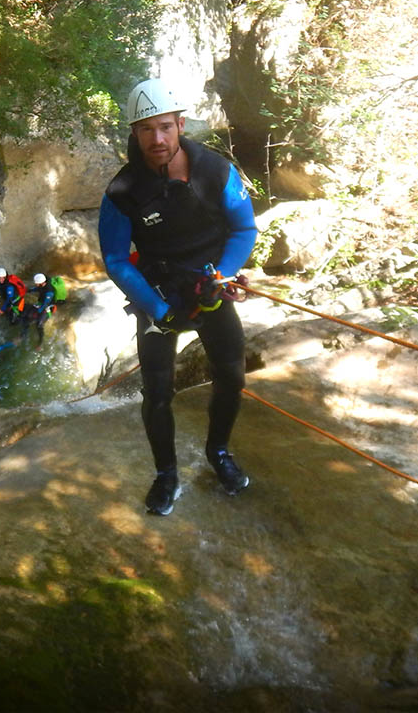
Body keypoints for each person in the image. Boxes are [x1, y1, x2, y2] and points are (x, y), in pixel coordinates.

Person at [98, 78, 258, 516]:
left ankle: (219, 453)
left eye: (165, 127)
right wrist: (159, 311)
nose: (158, 138)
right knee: (158, 392)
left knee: (232, 377)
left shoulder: (214, 171)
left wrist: (222, 276)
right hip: (157, 290)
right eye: (147, 129)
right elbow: (115, 259)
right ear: (134, 133)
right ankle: (165, 474)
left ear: (181, 124)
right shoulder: (122, 192)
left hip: (210, 285)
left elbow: (244, 228)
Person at [24, 273, 57, 344]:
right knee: (27, 315)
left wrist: (38, 311)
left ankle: (40, 341)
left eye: (37, 283)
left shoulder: (49, 291)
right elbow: (37, 288)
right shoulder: (42, 285)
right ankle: (24, 334)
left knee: (39, 324)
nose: (36, 284)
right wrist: (29, 290)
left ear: (41, 283)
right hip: (41, 303)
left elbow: (45, 304)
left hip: (48, 307)